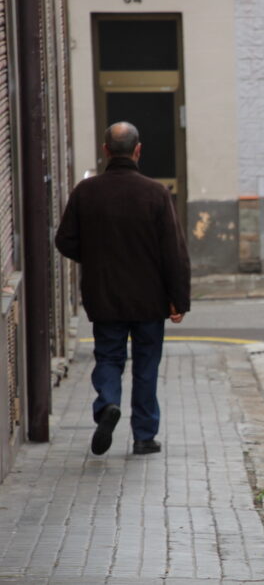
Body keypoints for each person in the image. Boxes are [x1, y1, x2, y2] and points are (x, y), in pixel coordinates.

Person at [55, 121, 191, 456]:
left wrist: (95, 256)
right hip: (149, 299)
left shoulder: (86, 192)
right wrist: (178, 299)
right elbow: (173, 252)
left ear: (105, 151)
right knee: (146, 365)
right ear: (138, 150)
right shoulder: (155, 193)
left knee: (109, 357)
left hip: (105, 295)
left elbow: (64, 241)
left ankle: (107, 406)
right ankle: (144, 436)